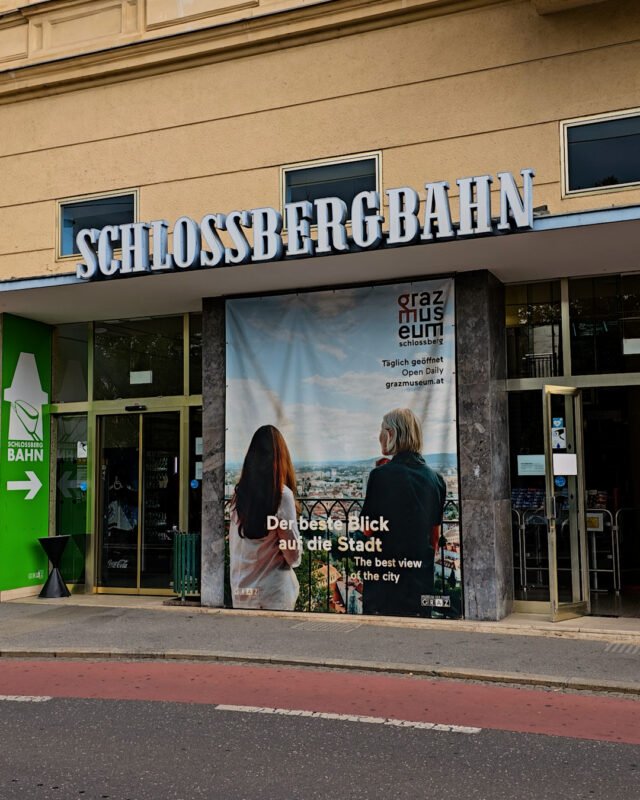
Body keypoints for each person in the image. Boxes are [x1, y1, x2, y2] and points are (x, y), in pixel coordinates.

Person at [360, 408, 446, 617]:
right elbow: (434, 537)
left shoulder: (380, 476)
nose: (379, 436)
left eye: (382, 430)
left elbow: (368, 530)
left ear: (391, 434)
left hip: (385, 581)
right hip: (419, 580)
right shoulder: (436, 480)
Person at [229, 425, 301, 610]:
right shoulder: (281, 495)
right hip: (272, 593)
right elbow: (292, 554)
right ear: (281, 458)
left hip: (242, 592)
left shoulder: (239, 495)